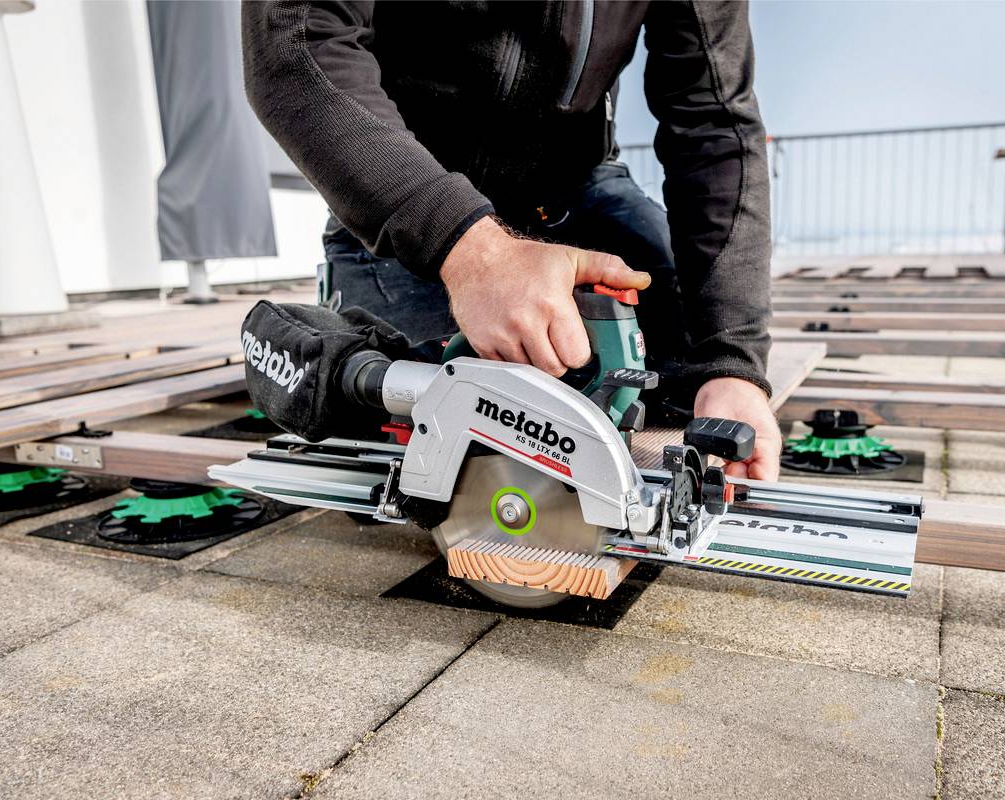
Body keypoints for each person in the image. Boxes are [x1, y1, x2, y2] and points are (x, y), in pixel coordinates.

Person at [241, 1, 781, 479]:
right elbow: (300, 43)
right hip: (410, 187)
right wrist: (472, 252)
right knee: (424, 423)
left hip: (576, 189)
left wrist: (731, 361)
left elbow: (714, 123)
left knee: (685, 368)